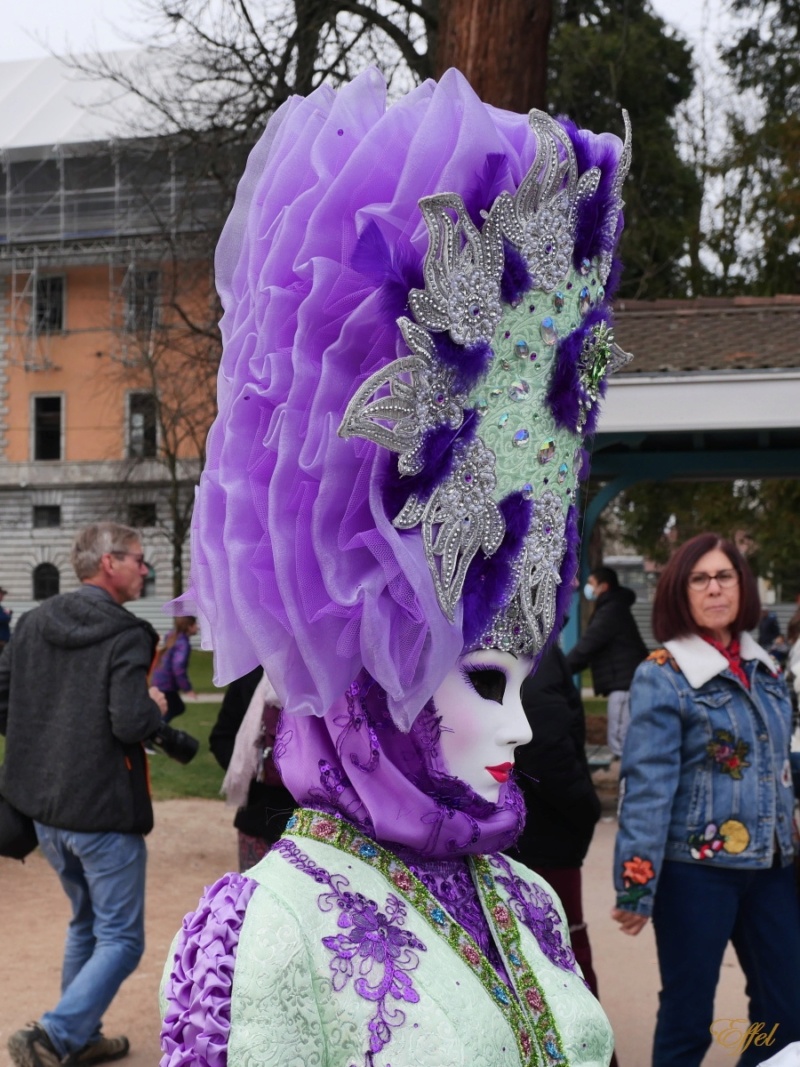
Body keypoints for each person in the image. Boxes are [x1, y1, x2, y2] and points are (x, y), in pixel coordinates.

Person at [160, 68, 633, 1066]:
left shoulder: (522, 895)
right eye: (486, 682)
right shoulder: (264, 931)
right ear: (384, 689)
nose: (518, 723)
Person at [612, 532, 800, 1067]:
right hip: (694, 873)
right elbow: (648, 785)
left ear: (743, 586)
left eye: (725, 576)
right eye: (700, 578)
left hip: (771, 868)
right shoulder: (662, 676)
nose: (714, 588)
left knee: (787, 1014)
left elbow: (777, 769)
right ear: (680, 590)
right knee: (688, 1018)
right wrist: (636, 885)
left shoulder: (767, 671)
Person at [0, 522, 167, 1067]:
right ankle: (52, 1036)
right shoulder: (128, 633)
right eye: (139, 559)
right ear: (108, 563)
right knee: (122, 940)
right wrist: (158, 708)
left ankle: (80, 1035)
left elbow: (4, 697)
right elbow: (129, 720)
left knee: (87, 923)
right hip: (101, 813)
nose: (146, 569)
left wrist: (45, 741)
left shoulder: (30, 622)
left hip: (45, 812)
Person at [510, 644, 620, 1065]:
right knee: (560, 961)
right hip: (539, 834)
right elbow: (543, 736)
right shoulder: (529, 637)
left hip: (539, 829)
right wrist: (584, 806)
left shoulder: (542, 643)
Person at [209, 666, 296, 869]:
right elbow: (222, 736)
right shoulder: (252, 673)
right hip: (259, 817)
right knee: (253, 898)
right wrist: (253, 769)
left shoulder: (326, 676)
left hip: (317, 826)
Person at [566, 565, 648, 759]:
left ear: (604, 587)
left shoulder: (610, 610)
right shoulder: (613, 606)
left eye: (591, 584)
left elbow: (588, 646)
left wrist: (559, 669)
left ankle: (627, 784)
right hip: (626, 682)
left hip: (625, 686)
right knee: (623, 739)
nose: (587, 588)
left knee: (621, 741)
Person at [151, 615, 198, 723]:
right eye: (195, 624)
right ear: (189, 627)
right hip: (166, 684)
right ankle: (155, 731)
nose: (198, 627)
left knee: (176, 707)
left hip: (159, 680)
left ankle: (156, 730)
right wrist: (187, 689)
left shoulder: (173, 637)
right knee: (174, 708)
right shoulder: (182, 644)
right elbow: (178, 667)